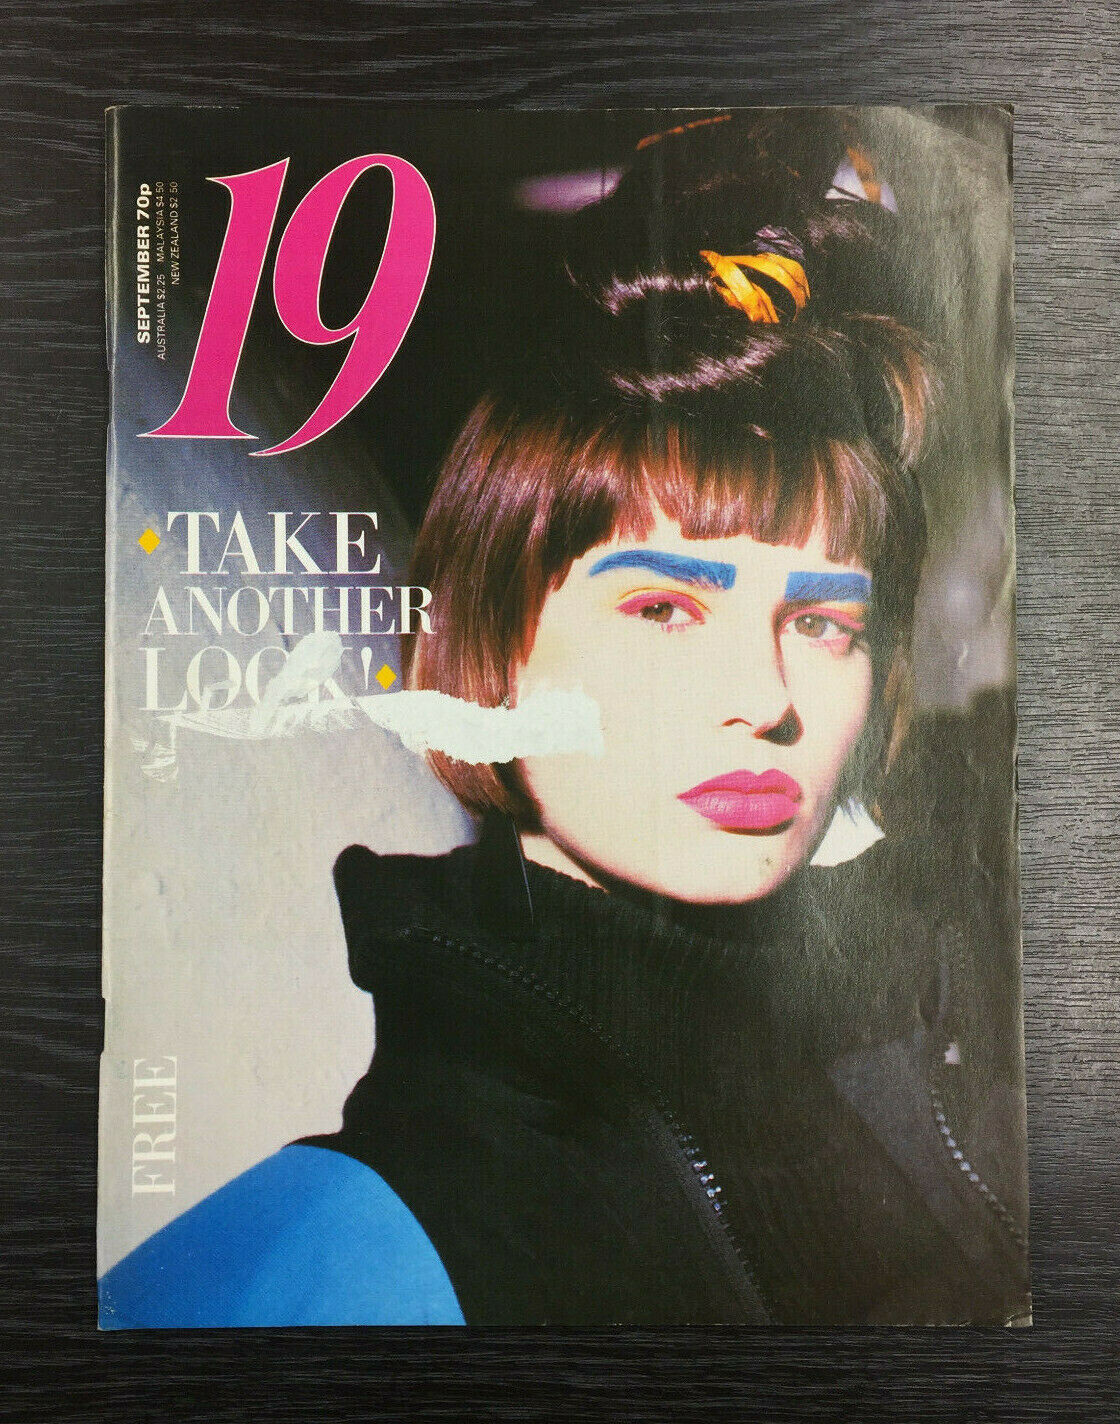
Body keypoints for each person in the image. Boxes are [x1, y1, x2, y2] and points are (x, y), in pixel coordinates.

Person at [100, 112, 1029, 1327]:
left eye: (820, 621)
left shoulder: (930, 1051)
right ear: (492, 643)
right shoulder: (316, 1266)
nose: (766, 701)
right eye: (664, 607)